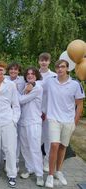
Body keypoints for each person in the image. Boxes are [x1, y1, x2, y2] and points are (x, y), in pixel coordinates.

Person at [45, 60, 85, 188]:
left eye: (62, 67)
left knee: (63, 146)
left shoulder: (75, 84)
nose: (59, 69)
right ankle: (50, 176)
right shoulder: (50, 81)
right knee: (54, 145)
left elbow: (79, 105)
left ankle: (59, 171)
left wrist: (75, 122)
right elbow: (38, 82)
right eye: (57, 67)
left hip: (68, 120)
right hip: (53, 119)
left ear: (68, 69)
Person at [0, 61, 20, 188]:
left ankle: (12, 174)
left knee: (9, 148)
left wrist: (14, 120)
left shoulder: (11, 85)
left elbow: (16, 104)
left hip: (8, 119)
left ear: (5, 71)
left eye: (1, 69)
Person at [18, 67, 44, 186]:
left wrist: (14, 95)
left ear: (36, 75)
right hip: (23, 122)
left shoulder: (37, 87)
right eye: (28, 74)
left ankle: (39, 175)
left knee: (34, 149)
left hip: (33, 122)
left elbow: (21, 100)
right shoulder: (27, 86)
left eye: (32, 74)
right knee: (25, 148)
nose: (30, 75)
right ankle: (30, 169)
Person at [38, 52, 57, 172]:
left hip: (49, 111)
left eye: (46, 60)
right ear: (38, 61)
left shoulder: (54, 76)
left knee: (48, 139)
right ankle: (38, 161)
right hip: (35, 112)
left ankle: (46, 162)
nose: (44, 62)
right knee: (36, 139)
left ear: (49, 62)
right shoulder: (34, 74)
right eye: (42, 60)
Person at [6, 62, 25, 172]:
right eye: (11, 69)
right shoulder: (4, 79)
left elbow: (34, 83)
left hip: (17, 111)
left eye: (15, 69)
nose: (13, 71)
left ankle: (16, 160)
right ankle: (6, 160)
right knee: (7, 137)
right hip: (6, 111)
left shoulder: (22, 80)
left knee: (16, 138)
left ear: (18, 71)